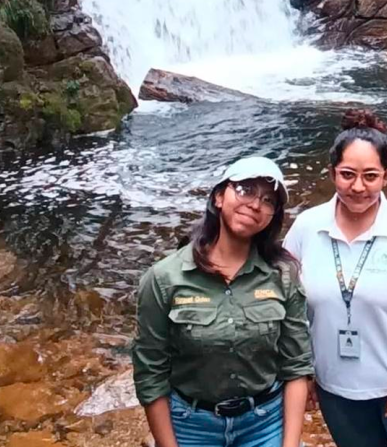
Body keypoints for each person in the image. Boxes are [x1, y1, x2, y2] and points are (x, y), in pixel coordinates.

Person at [284, 109, 387, 447]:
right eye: (347, 174)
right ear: (332, 173)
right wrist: (303, 370)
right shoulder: (306, 227)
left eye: (370, 176)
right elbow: (289, 306)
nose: (358, 187)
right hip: (337, 389)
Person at [132, 156, 312, 447]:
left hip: (264, 423)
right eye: (245, 190)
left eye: (268, 200)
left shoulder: (283, 275)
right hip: (190, 426)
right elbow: (150, 374)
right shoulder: (164, 278)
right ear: (218, 196)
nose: (255, 204)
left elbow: (297, 365)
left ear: (272, 216)